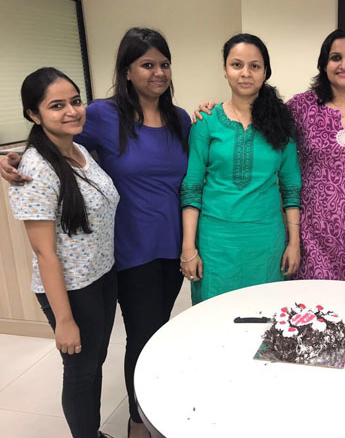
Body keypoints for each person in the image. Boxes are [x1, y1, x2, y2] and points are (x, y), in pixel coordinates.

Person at [1, 28, 190, 438]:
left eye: (164, 64)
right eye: (147, 64)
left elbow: (65, 145)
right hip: (129, 251)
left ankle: (144, 410)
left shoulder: (181, 119)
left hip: (170, 246)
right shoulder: (103, 115)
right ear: (127, 71)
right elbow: (48, 141)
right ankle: (138, 421)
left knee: (156, 332)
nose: (158, 72)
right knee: (138, 339)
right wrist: (12, 158)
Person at [193, 28, 345, 283]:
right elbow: (257, 111)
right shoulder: (301, 106)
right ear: (324, 64)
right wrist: (211, 109)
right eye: (335, 57)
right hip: (310, 229)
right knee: (310, 301)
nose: (343, 65)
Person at [9, 67, 119, 438]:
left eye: (75, 101)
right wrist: (65, 320)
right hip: (71, 289)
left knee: (95, 361)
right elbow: (45, 254)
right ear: (33, 114)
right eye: (57, 106)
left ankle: (93, 431)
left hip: (101, 274)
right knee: (80, 372)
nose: (72, 111)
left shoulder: (79, 150)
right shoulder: (36, 170)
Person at [179, 33, 301, 304]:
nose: (245, 73)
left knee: (265, 312)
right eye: (237, 65)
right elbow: (192, 187)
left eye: (254, 66)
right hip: (216, 241)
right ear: (225, 70)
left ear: (265, 72)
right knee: (215, 313)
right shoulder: (206, 121)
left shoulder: (281, 123)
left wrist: (294, 243)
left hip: (266, 240)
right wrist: (188, 247)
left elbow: (291, 188)